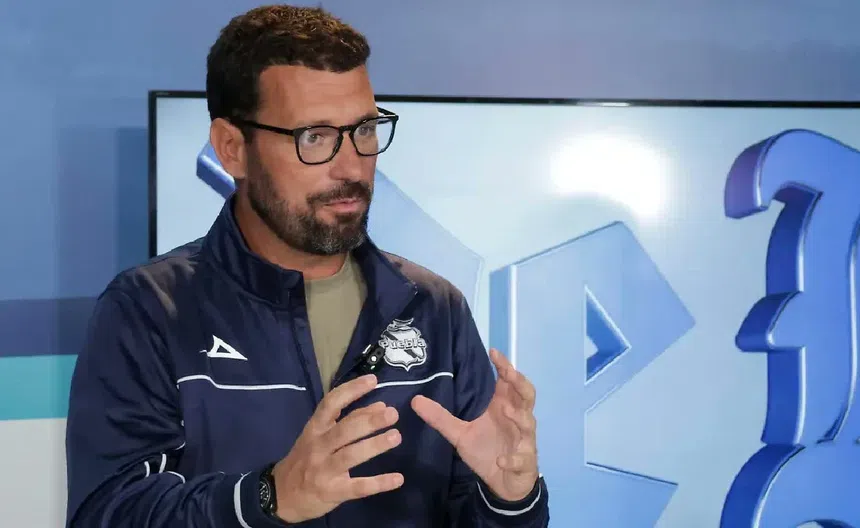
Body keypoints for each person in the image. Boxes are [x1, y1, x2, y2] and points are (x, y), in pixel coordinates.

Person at [65, 4, 550, 527]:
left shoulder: (434, 307)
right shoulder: (150, 310)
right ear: (232, 148)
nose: (352, 166)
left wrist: (509, 499)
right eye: (314, 136)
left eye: (364, 129)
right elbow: (108, 513)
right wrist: (269, 497)